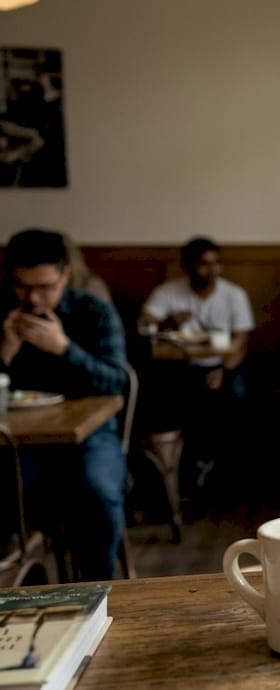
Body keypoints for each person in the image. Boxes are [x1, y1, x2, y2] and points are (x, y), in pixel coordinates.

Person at [0, 228, 128, 580]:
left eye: (45, 287)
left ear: (65, 277)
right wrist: (4, 353)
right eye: (23, 287)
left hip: (91, 435)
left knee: (98, 491)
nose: (34, 299)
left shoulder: (93, 311)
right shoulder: (4, 311)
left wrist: (64, 349)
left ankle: (98, 593)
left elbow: (118, 382)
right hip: (17, 442)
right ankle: (24, 591)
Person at [139, 237, 255, 489]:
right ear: (187, 266)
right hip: (180, 367)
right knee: (162, 399)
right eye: (203, 264)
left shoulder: (233, 294)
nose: (211, 270)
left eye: (216, 264)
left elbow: (241, 341)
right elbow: (144, 325)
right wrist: (167, 323)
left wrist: (223, 370)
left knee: (237, 396)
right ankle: (179, 471)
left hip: (225, 364)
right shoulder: (170, 291)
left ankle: (229, 473)